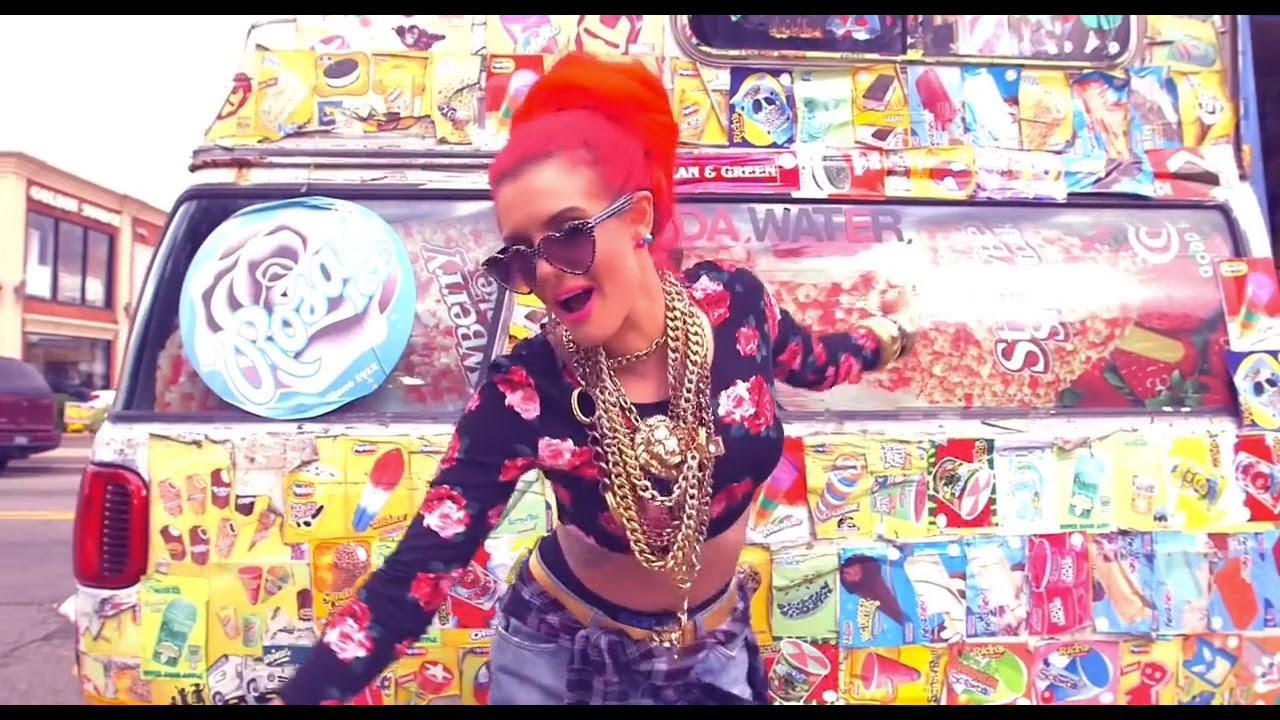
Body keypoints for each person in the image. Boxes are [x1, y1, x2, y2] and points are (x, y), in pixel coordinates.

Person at [277, 50, 911, 706]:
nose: (548, 271)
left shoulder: (734, 306)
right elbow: (413, 579)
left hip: (712, 647)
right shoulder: (525, 392)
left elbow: (816, 360)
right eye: (520, 256)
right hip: (561, 654)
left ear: (638, 217)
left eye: (569, 234)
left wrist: (891, 336)